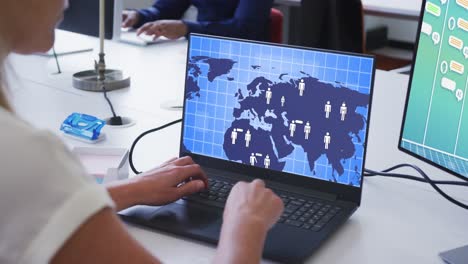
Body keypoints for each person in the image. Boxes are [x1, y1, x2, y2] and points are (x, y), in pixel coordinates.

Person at [0, 1, 284, 263]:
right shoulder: (26, 156)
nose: (68, 2)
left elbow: (38, 208)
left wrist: (131, 189)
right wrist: (246, 223)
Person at [122, 0, 273, 41]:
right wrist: (138, 16)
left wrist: (186, 28)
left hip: (245, 58)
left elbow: (244, 29)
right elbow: (165, 9)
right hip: (199, 50)